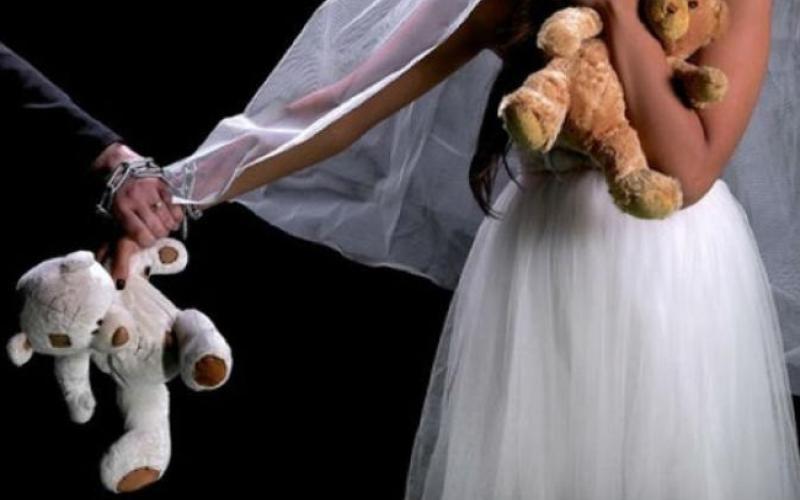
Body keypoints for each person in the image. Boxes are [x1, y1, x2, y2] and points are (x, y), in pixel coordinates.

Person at [103, 0, 800, 497]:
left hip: (674, 273)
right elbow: (343, 106)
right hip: (543, 265)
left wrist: (618, 10)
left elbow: (688, 172)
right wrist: (176, 194)